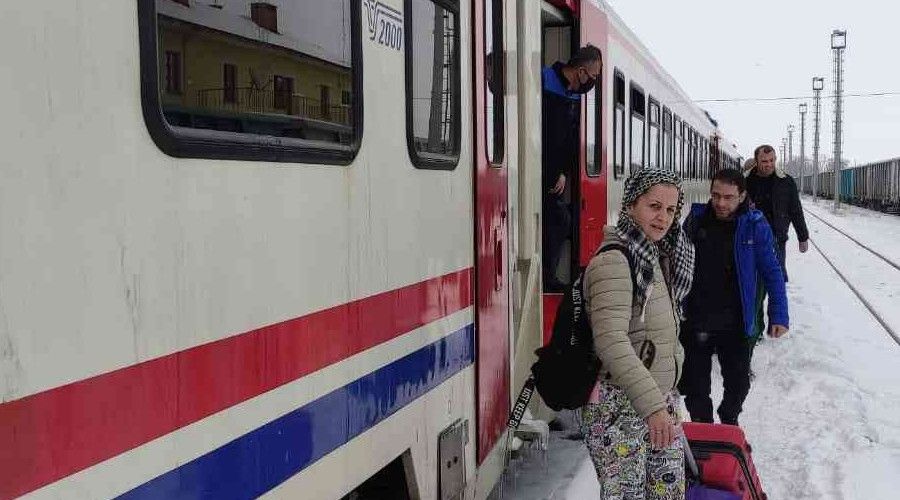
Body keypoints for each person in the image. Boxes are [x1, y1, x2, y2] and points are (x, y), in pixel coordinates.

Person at [581, 168, 695, 499]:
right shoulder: (615, 261)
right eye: (654, 206)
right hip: (620, 408)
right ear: (631, 205)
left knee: (667, 493)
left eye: (671, 210)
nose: (663, 218)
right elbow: (611, 341)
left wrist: (665, 400)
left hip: (658, 403)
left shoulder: (657, 256)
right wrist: (653, 408)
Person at [679, 169, 789, 426]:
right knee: (695, 385)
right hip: (696, 318)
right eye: (716, 195)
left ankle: (729, 419)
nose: (720, 203)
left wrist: (779, 314)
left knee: (738, 384)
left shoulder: (755, 225)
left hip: (735, 321)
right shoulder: (696, 220)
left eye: (728, 197)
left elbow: (772, 271)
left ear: (742, 196)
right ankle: (702, 427)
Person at [542, 45, 602, 289]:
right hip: (537, 168)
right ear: (580, 72)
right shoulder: (543, 81)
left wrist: (564, 172)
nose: (593, 82)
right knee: (559, 219)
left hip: (554, 174)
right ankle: (547, 278)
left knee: (566, 218)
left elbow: (569, 140)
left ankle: (550, 274)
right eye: (594, 76)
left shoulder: (572, 96)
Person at [745, 144, 808, 340]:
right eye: (764, 161)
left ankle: (775, 323)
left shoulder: (786, 182)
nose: (769, 164)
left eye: (772, 160)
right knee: (754, 287)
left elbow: (795, 210)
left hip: (777, 241)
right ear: (756, 161)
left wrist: (802, 236)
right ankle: (755, 328)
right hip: (751, 241)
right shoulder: (745, 182)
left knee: (775, 282)